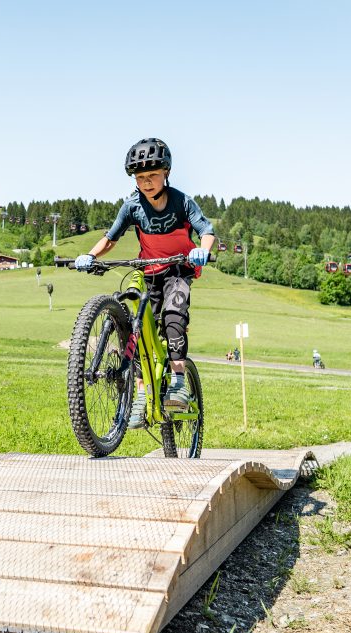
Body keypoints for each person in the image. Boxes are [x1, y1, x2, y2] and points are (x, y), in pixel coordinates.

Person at [74, 137, 216, 428]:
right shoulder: (132, 206)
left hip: (179, 269)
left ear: (166, 173)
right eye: (140, 177)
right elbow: (111, 238)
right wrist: (90, 255)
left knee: (174, 316)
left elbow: (207, 231)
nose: (147, 182)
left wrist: (203, 249)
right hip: (148, 271)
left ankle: (178, 382)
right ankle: (141, 393)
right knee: (136, 326)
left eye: (152, 175)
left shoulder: (181, 201)